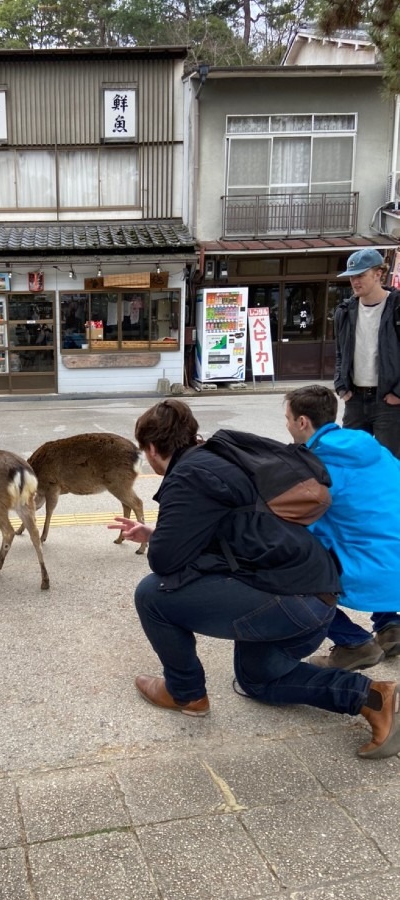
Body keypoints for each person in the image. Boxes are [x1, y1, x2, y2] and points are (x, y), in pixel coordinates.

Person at [109, 399, 400, 760]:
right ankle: (372, 697)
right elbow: (232, 527)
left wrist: (161, 540)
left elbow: (165, 562)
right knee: (258, 681)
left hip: (289, 600)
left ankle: (185, 693)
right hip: (318, 596)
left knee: (152, 594)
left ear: (152, 449)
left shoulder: (187, 475)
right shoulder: (224, 454)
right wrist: (156, 531)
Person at [285, 385, 400, 669]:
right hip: (393, 557)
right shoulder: (372, 446)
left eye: (287, 418)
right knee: (369, 534)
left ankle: (354, 644)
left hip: (372, 567)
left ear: (302, 422)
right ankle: (391, 625)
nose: (286, 425)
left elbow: (301, 523)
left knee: (288, 567)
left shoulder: (316, 464)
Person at [334, 248, 400, 456]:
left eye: (361, 275)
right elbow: (339, 353)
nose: (355, 281)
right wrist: (341, 386)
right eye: (352, 277)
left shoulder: (396, 307)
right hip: (355, 399)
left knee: (389, 463)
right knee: (351, 460)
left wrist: (398, 393)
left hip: (388, 401)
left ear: (378, 274)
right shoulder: (345, 311)